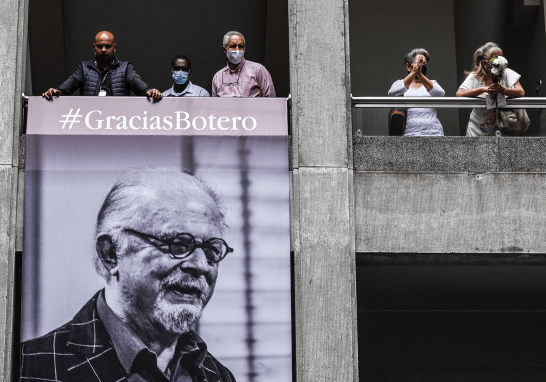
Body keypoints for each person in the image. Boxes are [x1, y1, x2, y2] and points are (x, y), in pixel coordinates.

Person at [21, 166, 236, 382]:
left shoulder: (217, 375)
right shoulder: (29, 370)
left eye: (211, 251)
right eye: (177, 244)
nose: (200, 265)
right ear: (111, 253)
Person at [42, 31, 162, 101]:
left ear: (114, 47)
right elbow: (71, 83)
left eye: (108, 46)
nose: (103, 50)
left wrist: (149, 91)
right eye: (100, 46)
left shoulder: (125, 67)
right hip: (90, 119)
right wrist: (57, 91)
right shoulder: (84, 67)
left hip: (119, 119)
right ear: (94, 47)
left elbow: (134, 81)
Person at [456, 42, 525, 136]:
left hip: (503, 128)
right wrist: (483, 89)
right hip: (478, 130)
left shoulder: (507, 73)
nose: (500, 60)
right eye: (495, 57)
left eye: (501, 56)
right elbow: (460, 93)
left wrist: (503, 90)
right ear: (485, 63)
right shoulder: (475, 76)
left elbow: (521, 92)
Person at [388, 48, 445, 136]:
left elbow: (440, 94)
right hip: (410, 134)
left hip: (434, 133)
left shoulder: (432, 83)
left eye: (424, 64)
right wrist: (414, 73)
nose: (422, 67)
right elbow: (392, 93)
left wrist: (420, 75)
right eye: (419, 63)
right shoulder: (399, 83)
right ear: (408, 66)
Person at [212, 31, 275, 97]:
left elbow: (271, 100)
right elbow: (215, 104)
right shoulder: (218, 77)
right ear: (224, 49)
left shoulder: (258, 70)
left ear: (244, 48)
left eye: (240, 46)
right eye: (233, 46)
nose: (237, 50)